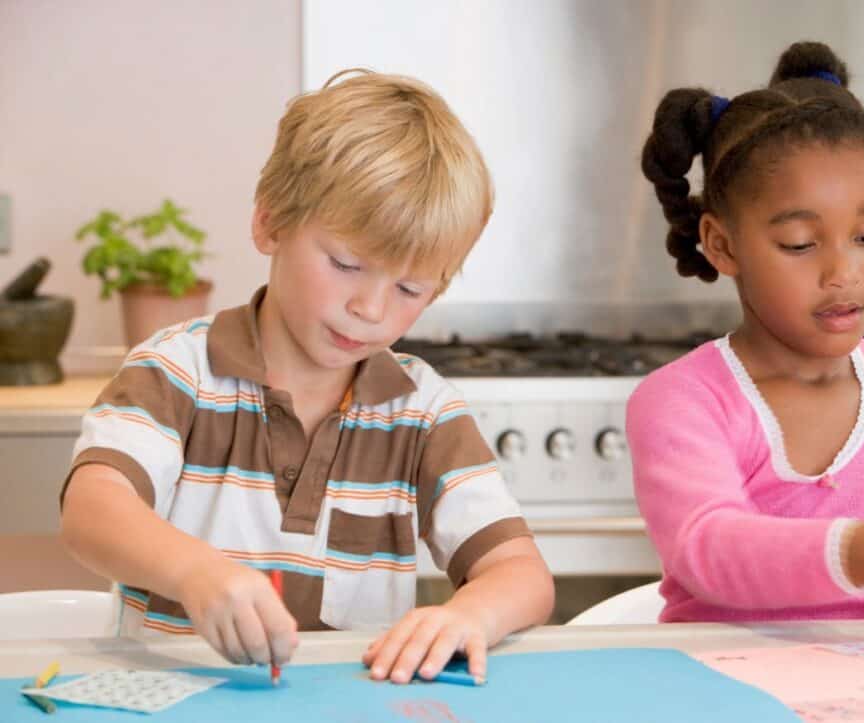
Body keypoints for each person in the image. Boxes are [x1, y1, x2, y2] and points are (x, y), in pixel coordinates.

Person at [60, 69, 554, 684]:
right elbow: (92, 510)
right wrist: (194, 572)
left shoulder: (422, 410)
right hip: (175, 700)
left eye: (409, 288)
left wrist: (472, 614)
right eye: (346, 264)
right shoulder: (176, 371)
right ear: (270, 223)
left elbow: (521, 572)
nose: (371, 309)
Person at [629, 41, 864, 626]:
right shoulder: (682, 400)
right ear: (723, 244)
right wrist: (858, 552)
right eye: (800, 245)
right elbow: (707, 547)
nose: (843, 273)